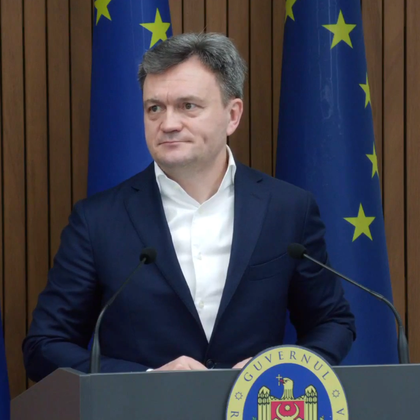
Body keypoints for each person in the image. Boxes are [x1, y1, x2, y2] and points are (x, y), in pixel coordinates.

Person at [23, 33, 355, 382]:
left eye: (188, 106)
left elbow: (332, 322)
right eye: (154, 108)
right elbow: (44, 346)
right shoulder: (98, 221)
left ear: (232, 115)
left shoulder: (287, 209)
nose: (168, 124)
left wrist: (281, 369)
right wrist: (146, 378)